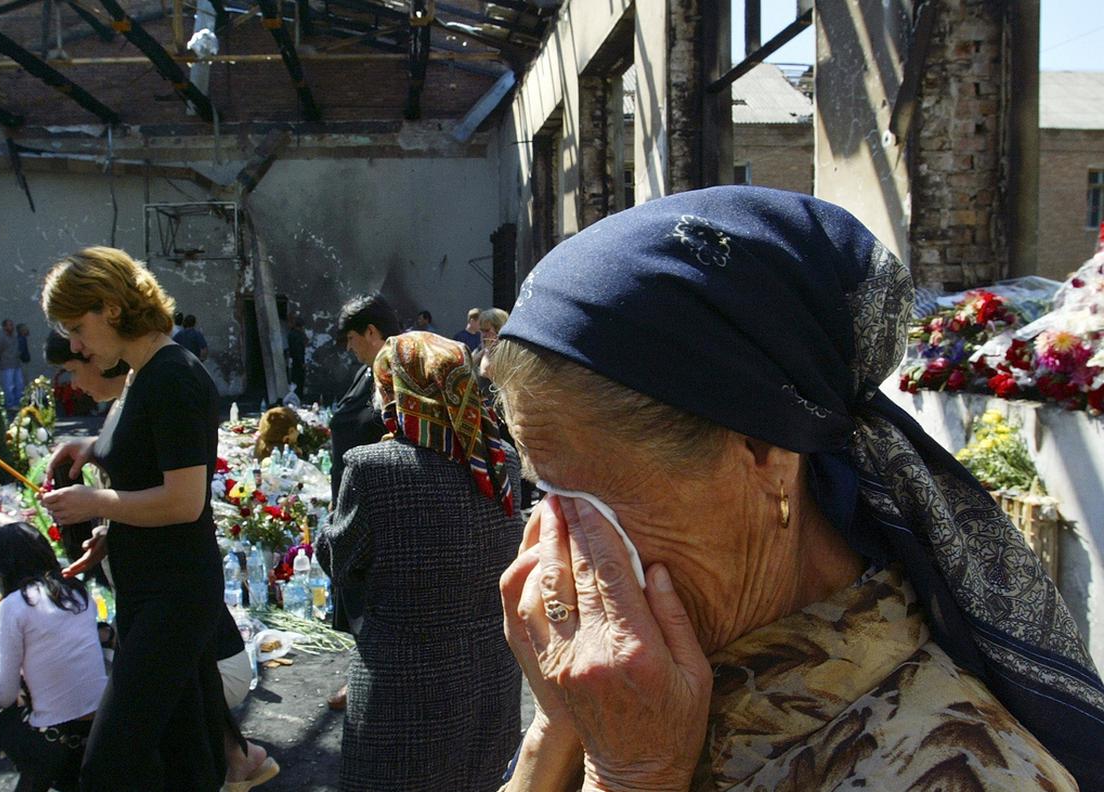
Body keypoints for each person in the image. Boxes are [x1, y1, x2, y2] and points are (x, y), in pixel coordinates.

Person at [490, 187, 1101, 791]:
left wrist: (630, 777)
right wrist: (562, 728)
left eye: (587, 504)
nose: (552, 555)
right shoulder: (624, 695)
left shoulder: (956, 768)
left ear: (764, 454)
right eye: (542, 496)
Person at [37, 247, 276, 792]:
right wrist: (98, 469)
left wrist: (96, 504)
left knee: (110, 763)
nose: (73, 345)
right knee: (188, 760)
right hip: (156, 590)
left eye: (77, 328)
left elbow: (182, 502)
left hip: (173, 595)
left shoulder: (171, 376)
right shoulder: (146, 375)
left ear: (112, 309)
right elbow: (149, 474)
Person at [316, 332, 523, 792]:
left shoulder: (374, 468)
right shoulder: (498, 458)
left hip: (404, 684)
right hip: (492, 674)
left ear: (394, 389)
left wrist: (326, 523)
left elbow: (339, 559)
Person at [0, 522, 108, 792]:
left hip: (52, 736)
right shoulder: (78, 592)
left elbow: (3, 693)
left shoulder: (14, 607)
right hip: (98, 727)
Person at [325, 294, 399, 709]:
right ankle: (366, 675)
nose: (349, 347)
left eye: (352, 338)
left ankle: (376, 682)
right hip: (354, 496)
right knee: (357, 590)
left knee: (373, 594)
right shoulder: (368, 371)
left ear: (372, 331)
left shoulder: (398, 372)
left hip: (379, 504)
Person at [0, 319, 25, 408]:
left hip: (16, 364)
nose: (11, 327)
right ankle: (10, 404)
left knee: (19, 384)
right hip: (7, 364)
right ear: (4, 327)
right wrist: (1, 361)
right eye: (9, 325)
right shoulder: (1, 337)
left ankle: (19, 402)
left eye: (12, 325)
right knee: (9, 385)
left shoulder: (15, 336)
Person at [286, 314, 308, 396]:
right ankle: (297, 397)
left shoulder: (291, 334)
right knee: (299, 381)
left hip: (293, 361)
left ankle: (294, 396)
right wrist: (302, 363)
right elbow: (298, 350)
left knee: (294, 381)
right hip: (298, 362)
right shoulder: (298, 335)